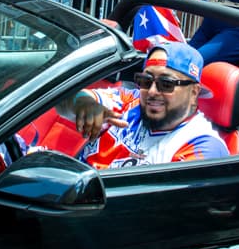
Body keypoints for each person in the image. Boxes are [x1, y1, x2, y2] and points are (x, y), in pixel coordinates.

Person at [72, 42, 228, 168]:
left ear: (193, 92)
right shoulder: (131, 101)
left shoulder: (202, 147)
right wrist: (82, 102)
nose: (152, 91)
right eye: (146, 81)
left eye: (166, 84)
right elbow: (76, 99)